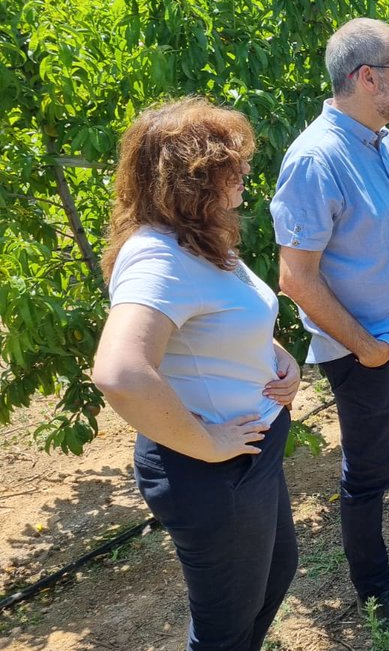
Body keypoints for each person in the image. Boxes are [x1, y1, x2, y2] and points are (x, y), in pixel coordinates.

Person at [270, 18, 389, 641]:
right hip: (371, 354)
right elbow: (295, 277)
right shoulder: (315, 158)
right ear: (366, 77)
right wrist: (364, 345)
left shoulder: (387, 141)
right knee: (370, 476)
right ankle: (377, 592)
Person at [92, 97, 301, 650]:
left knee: (274, 576)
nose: (245, 175)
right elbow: (119, 370)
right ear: (194, 178)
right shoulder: (157, 256)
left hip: (249, 453)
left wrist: (279, 355)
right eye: (232, 166)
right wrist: (207, 444)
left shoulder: (203, 241)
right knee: (224, 627)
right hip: (214, 472)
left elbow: (221, 318)